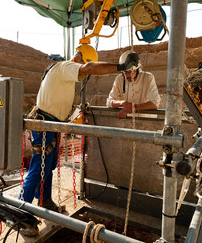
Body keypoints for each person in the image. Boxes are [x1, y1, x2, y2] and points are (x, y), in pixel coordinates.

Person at [19, 44, 139, 233]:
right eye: (84, 66)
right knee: (37, 168)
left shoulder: (63, 74)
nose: (83, 74)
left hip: (52, 124)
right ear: (79, 59)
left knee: (48, 166)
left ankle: (45, 201)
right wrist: (120, 67)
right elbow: (89, 68)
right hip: (44, 124)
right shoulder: (66, 67)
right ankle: (21, 215)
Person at [106, 50, 160, 119]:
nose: (128, 75)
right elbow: (109, 102)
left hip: (146, 123)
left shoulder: (148, 77)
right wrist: (123, 103)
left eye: (132, 71)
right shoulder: (119, 79)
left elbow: (154, 104)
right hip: (128, 123)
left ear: (138, 70)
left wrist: (132, 108)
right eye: (126, 72)